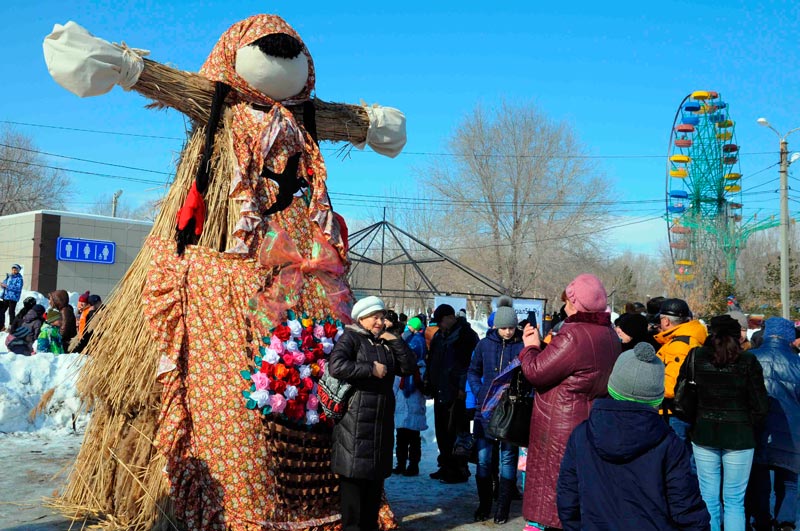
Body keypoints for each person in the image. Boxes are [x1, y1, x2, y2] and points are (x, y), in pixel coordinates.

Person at [557, 342, 711, 531]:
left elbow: (568, 499)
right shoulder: (669, 443)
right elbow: (686, 507)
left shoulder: (582, 434)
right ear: (657, 396)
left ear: (613, 385)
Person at [519, 273, 621, 530]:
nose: (564, 306)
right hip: (590, 419)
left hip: (560, 422)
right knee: (576, 489)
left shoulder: (573, 335)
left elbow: (536, 371)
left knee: (554, 490)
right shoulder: (609, 334)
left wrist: (531, 346)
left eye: (568, 300)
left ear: (576, 303)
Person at [329, 296, 416, 531]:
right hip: (355, 425)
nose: (379, 322)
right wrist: (370, 369)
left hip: (380, 424)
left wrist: (394, 339)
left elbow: (408, 367)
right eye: (375, 317)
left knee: (373, 489)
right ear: (362, 319)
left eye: (381, 317)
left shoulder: (385, 343)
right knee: (354, 490)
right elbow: (335, 366)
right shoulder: (351, 338)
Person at [677, 314, 769, 531]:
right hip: (740, 437)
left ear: (711, 333)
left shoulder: (695, 357)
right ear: (738, 336)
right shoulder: (748, 361)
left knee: (708, 498)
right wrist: (747, 424)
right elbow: (761, 405)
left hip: (704, 432)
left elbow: (682, 394)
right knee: (735, 501)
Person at [467, 296, 524, 524]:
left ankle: (503, 507)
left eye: (511, 328)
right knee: (483, 459)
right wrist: (480, 391)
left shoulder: (522, 347)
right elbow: (472, 370)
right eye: (503, 328)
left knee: (508, 459)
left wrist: (522, 395)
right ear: (495, 327)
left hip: (511, 411)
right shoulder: (484, 344)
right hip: (486, 409)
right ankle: (484, 504)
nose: (507, 332)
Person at [746, 317, 800, 531]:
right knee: (789, 481)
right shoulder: (797, 364)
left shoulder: (750, 358)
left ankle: (761, 521)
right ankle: (785, 523)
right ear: (789, 337)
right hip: (791, 431)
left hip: (757, 429)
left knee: (759, 481)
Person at [424, 303, 479, 483]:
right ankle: (445, 465)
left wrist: (464, 388)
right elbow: (432, 360)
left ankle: (458, 469)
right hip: (441, 388)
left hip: (458, 391)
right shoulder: (439, 336)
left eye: (441, 321)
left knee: (456, 431)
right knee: (442, 432)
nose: (439, 326)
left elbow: (471, 366)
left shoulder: (467, 336)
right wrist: (429, 382)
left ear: (450, 317)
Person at [654, 298, 707, 451]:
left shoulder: (679, 345)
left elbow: (671, 387)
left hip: (675, 413)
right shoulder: (691, 339)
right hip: (686, 409)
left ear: (666, 321)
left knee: (678, 458)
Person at [393, 315, 427, 477]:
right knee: (400, 438)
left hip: (414, 407)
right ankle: (400, 463)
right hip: (401, 406)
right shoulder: (400, 370)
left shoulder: (421, 370)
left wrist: (421, 384)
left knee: (414, 439)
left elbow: (427, 392)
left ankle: (413, 465)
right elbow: (394, 386)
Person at [0, 264, 23, 331]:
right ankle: (1, 325)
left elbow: (18, 288)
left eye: (15, 269)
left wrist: (7, 286)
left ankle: (11, 326)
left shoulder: (19, 279)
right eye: (13, 269)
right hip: (6, 296)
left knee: (11, 312)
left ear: (18, 270)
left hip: (13, 298)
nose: (14, 271)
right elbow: (4, 284)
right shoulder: (8, 277)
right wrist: (2, 285)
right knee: (2, 311)